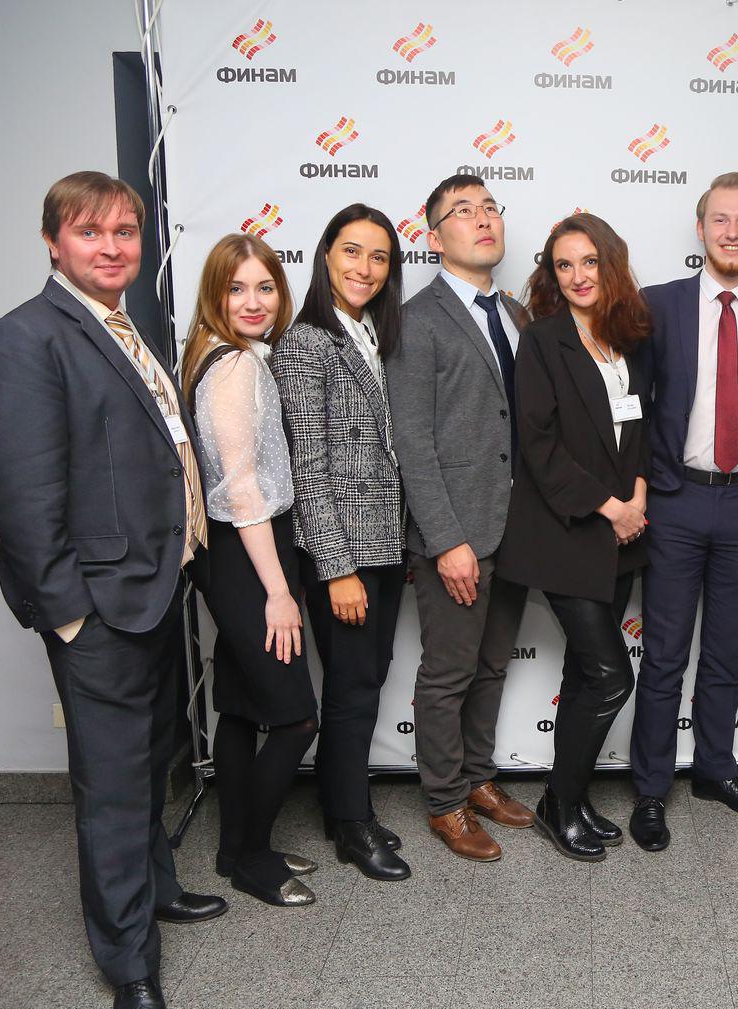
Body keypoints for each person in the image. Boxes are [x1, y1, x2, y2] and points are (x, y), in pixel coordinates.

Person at [0, 171, 226, 1009]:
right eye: (90, 232)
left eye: (125, 231)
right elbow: (20, 496)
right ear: (54, 242)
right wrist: (71, 614)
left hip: (153, 587)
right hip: (100, 608)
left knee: (150, 762)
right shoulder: (24, 339)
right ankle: (130, 964)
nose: (112, 247)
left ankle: (157, 890)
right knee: (112, 788)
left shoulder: (122, 325)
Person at [628, 172, 738, 851]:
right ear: (701, 228)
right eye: (720, 219)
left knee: (727, 651)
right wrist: (645, 485)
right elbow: (635, 404)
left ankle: (714, 769)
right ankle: (651, 789)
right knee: (665, 655)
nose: (733, 232)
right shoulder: (658, 305)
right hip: (675, 499)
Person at [497, 214, 653, 861]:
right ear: (552, 274)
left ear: (610, 264)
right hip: (566, 534)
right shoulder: (542, 341)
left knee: (586, 674)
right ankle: (557, 805)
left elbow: (643, 426)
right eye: (564, 265)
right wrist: (611, 506)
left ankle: (573, 796)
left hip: (622, 535)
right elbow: (538, 445)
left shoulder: (631, 337)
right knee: (612, 676)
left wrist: (638, 493)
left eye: (589, 261)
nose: (578, 275)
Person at [391, 176, 535, 862]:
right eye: (463, 211)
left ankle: (478, 779)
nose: (482, 220)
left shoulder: (516, 313)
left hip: (517, 526)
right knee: (449, 672)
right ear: (433, 237)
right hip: (456, 533)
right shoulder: (418, 320)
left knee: (493, 664)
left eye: (489, 209)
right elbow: (412, 441)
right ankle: (445, 802)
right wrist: (446, 540)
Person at [271, 203, 410, 882]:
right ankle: (353, 825)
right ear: (326, 255)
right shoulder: (306, 342)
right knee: (353, 688)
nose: (365, 267)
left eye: (379, 257)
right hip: (345, 553)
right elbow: (308, 467)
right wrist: (336, 568)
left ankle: (339, 805)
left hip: (385, 544)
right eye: (352, 251)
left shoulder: (372, 333)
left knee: (365, 680)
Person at [180, 233, 319, 908]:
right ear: (215, 293)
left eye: (265, 287)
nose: (253, 301)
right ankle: (254, 858)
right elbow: (241, 492)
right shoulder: (235, 366)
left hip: (235, 550)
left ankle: (234, 847)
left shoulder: (217, 354)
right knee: (295, 719)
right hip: (248, 551)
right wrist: (278, 592)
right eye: (236, 288)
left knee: (237, 707)